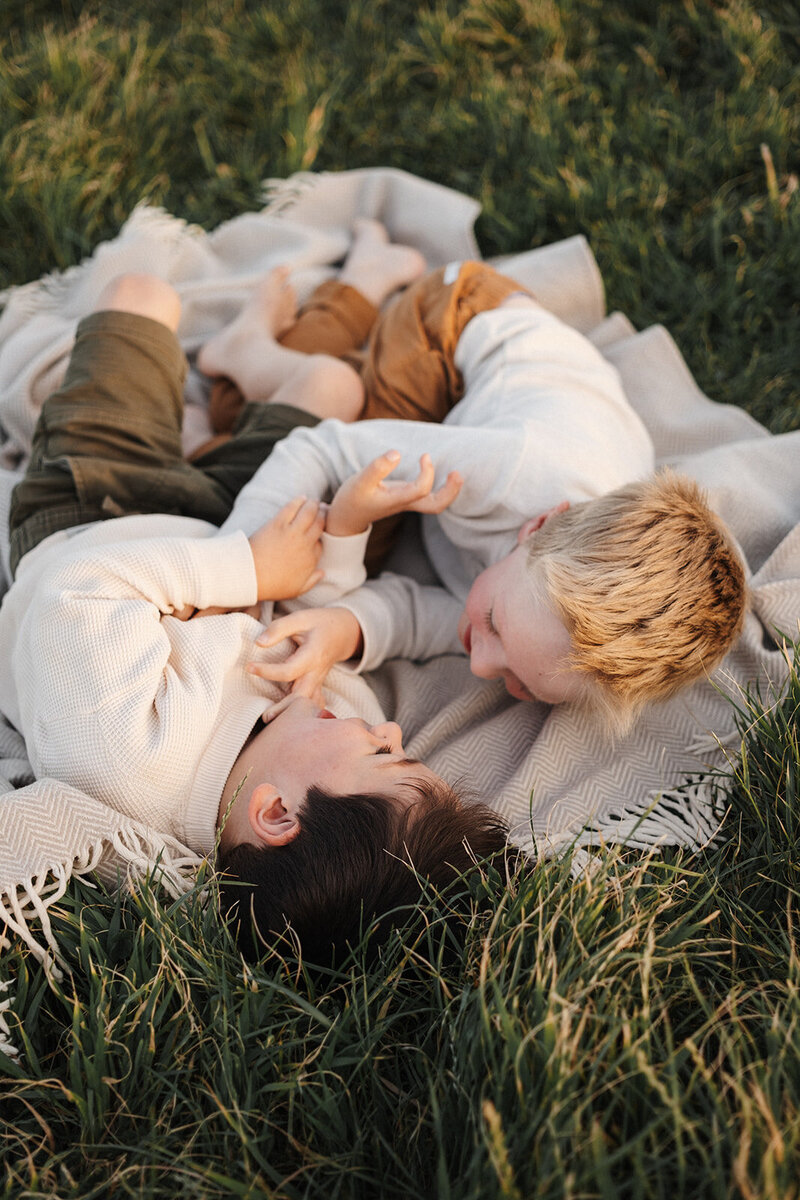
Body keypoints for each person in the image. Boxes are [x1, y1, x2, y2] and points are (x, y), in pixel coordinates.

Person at [0, 264, 509, 965]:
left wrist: (251, 569)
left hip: (98, 512)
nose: (391, 727)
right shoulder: (299, 727)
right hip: (220, 523)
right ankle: (232, 369)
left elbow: (78, 590)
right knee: (334, 386)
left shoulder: (129, 756)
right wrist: (346, 532)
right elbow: (305, 614)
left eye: (385, 754)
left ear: (275, 812)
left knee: (142, 295)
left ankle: (205, 402)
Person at [202, 256, 748, 735]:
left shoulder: (528, 614)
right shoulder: (514, 474)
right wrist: (239, 561)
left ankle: (352, 292)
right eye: (490, 623)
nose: (482, 664)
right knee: (292, 429)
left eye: (524, 686)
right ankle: (262, 339)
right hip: (455, 319)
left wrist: (344, 630)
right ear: (536, 527)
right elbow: (321, 447)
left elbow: (418, 614)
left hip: (550, 400)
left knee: (280, 475)